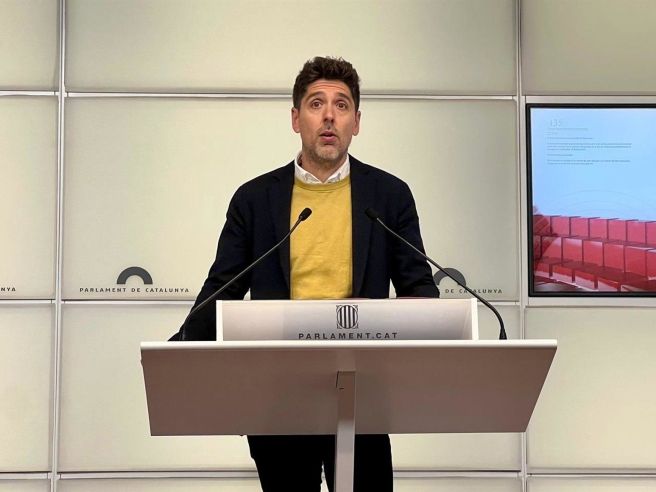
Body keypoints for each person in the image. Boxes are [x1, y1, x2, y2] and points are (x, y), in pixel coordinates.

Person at [176, 56, 439, 492]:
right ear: (296, 119)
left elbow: (420, 290)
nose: (329, 115)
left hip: (362, 391)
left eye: (342, 105)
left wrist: (403, 321)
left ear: (357, 122)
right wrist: (180, 349)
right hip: (278, 392)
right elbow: (224, 287)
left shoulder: (389, 196)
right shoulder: (255, 199)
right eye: (316, 104)